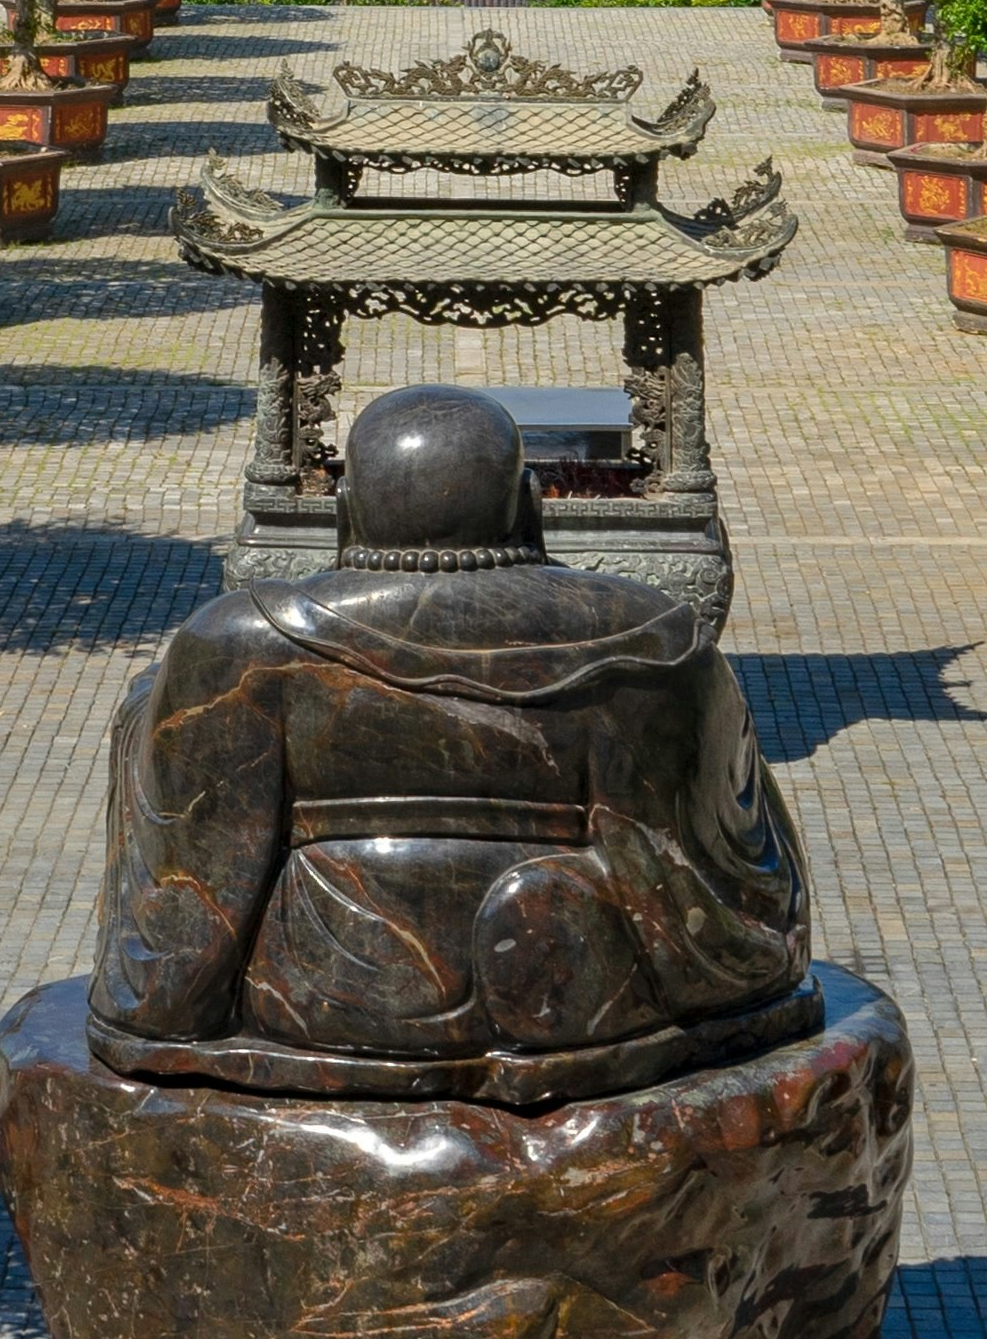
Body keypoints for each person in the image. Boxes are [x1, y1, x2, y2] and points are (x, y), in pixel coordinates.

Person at [83, 387, 816, 1108]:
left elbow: (198, 897)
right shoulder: (650, 638)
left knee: (148, 708)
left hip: (334, 1000)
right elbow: (715, 878)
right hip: (582, 993)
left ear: (345, 515)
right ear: (530, 506)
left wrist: (150, 710)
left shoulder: (243, 643)